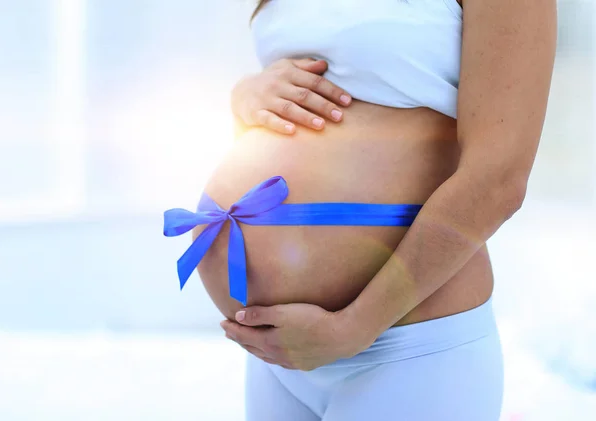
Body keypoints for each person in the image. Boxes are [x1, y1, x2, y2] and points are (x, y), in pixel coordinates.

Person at [164, 1, 556, 420]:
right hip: (277, 357)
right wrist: (247, 97)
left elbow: (498, 180)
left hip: (407, 345)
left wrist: (355, 327)